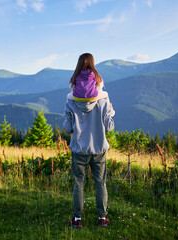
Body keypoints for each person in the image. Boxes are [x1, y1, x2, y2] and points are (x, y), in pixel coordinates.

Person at [63, 53, 115, 228]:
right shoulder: (103, 100)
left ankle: (77, 220)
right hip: (99, 149)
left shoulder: (71, 100)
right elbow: (109, 127)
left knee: (79, 183)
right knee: (100, 183)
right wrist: (110, 112)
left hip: (79, 149)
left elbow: (67, 129)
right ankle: (102, 218)